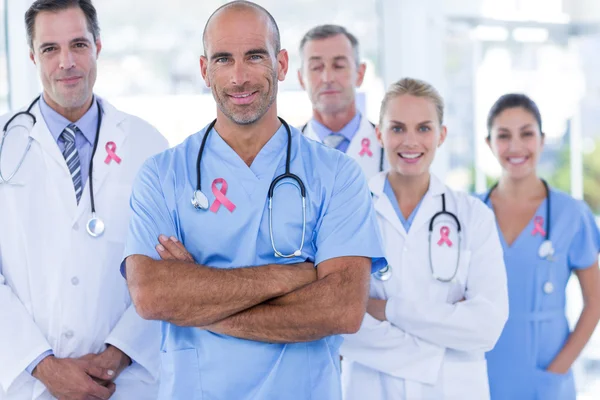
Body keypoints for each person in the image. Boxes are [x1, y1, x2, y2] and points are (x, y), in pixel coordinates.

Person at [122, 2, 386, 400]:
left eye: (255, 56)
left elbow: (343, 309)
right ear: (204, 70)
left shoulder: (337, 174)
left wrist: (198, 300)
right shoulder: (162, 175)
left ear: (280, 64)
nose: (240, 77)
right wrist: (295, 276)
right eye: (224, 59)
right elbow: (152, 296)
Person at [0, 1, 168, 399]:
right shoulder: (5, 146)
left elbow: (171, 268)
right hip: (29, 383)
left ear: (97, 47)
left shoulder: (148, 145)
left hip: (125, 383)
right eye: (49, 49)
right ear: (31, 57)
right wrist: (43, 365)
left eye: (78, 44)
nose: (66, 62)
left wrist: (119, 353)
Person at [340, 78, 509, 400]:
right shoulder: (350, 211)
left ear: (442, 135)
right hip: (373, 388)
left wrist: (385, 309)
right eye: (398, 128)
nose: (410, 141)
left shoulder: (473, 216)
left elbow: (487, 326)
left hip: (454, 389)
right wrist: (438, 344)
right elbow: (338, 318)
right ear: (379, 133)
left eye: (424, 128)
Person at [479, 93, 600, 400]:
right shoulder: (471, 212)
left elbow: (595, 301)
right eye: (503, 135)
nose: (516, 146)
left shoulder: (571, 214)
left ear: (542, 140)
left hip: (545, 374)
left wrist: (558, 370)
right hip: (479, 371)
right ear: (489, 143)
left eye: (527, 133)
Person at [298, 24, 384, 179]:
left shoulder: (389, 150)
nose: (328, 78)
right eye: (316, 67)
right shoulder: (283, 151)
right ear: (301, 78)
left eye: (339, 66)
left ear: (360, 74)